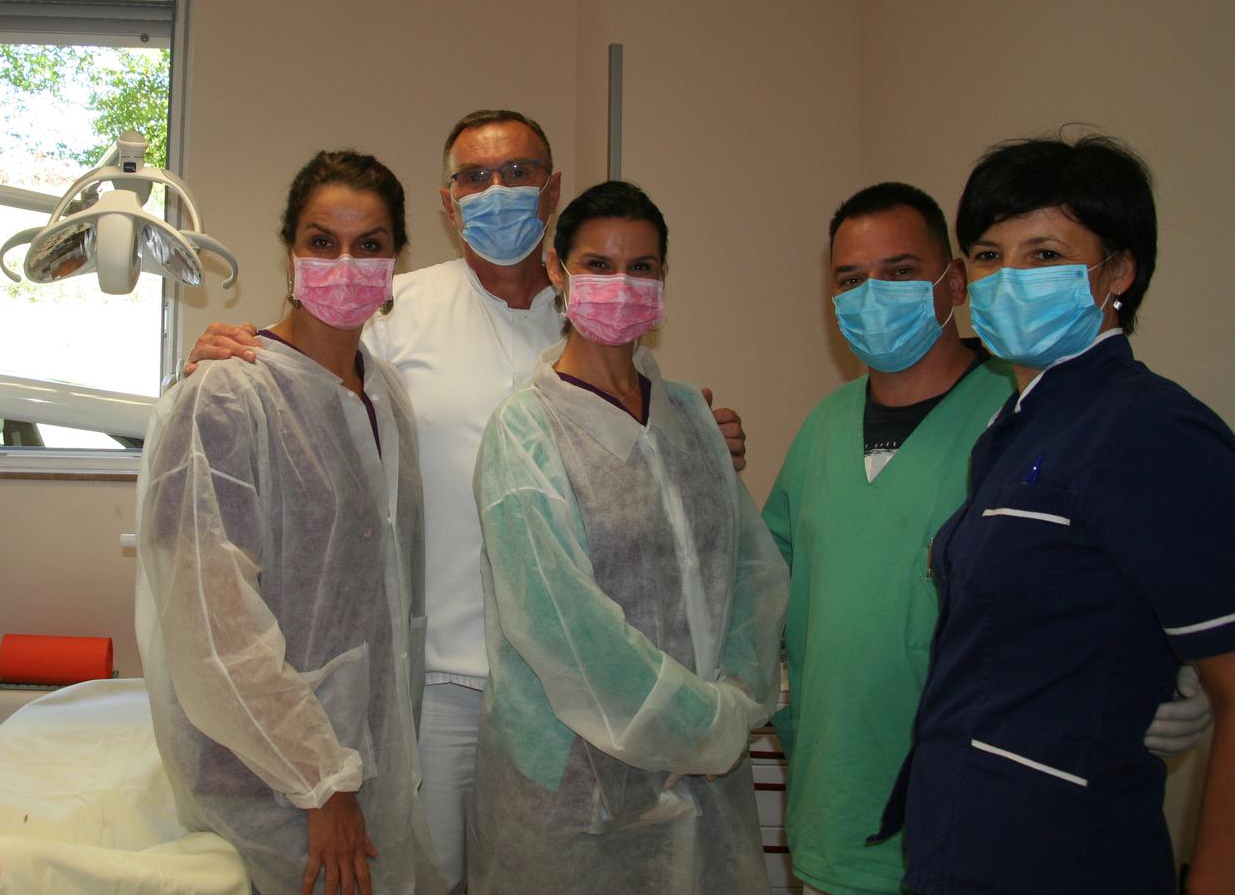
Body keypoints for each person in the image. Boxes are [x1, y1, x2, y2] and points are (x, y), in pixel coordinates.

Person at [183, 110, 746, 890]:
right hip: (438, 680)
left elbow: (641, 461)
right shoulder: (391, 310)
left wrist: (700, 442)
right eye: (475, 177)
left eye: (518, 173)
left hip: (572, 689)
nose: (497, 191)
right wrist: (217, 355)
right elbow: (303, 384)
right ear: (448, 202)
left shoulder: (597, 308)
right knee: (434, 876)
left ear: (552, 189)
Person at [771, 182, 1213, 895]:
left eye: (900, 272)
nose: (872, 297)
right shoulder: (825, 427)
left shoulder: (1030, 421)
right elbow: (768, 580)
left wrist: (1183, 666)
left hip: (1003, 829)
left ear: (952, 283)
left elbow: (1134, 565)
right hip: (838, 808)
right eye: (850, 280)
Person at [876, 135, 1235, 894]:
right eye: (988, 254)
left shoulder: (1149, 428)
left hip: (1067, 857)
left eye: (1044, 254)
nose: (1009, 278)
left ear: (1119, 270)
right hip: (962, 850)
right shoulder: (1014, 434)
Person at [137, 150, 443, 895]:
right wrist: (319, 781)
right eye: (322, 242)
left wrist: (347, 776)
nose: (345, 263)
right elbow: (213, 625)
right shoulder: (228, 393)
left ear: (397, 259)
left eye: (370, 245)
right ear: (290, 251)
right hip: (273, 783)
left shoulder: (385, 395)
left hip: (368, 762)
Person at [469, 181, 788, 894]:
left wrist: (733, 703)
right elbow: (562, 626)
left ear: (664, 277)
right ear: (557, 270)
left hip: (709, 778)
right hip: (576, 791)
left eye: (641, 267)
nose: (621, 284)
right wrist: (696, 724)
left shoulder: (691, 417)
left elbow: (751, 574)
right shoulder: (525, 432)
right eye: (598, 264)